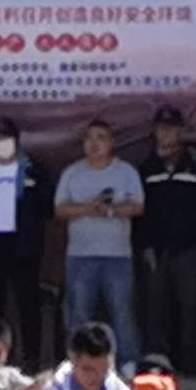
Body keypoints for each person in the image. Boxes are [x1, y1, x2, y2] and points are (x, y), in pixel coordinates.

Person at [51, 116, 146, 363]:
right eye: (89, 138)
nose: (94, 144)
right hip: (80, 256)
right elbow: (60, 210)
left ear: (111, 143)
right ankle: (77, 364)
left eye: (101, 138)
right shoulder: (72, 173)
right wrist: (87, 209)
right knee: (79, 315)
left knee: (122, 313)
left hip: (118, 256)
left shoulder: (126, 172)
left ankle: (128, 364)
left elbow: (138, 207)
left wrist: (110, 211)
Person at [135, 105, 196, 375]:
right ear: (155, 132)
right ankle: (160, 364)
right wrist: (145, 245)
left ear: (181, 131)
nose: (166, 133)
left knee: (192, 308)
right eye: (162, 128)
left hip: (189, 247)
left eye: (171, 128)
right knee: (156, 309)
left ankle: (192, 364)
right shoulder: (147, 167)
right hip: (157, 249)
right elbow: (142, 212)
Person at [0, 118, 55, 366]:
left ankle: (31, 358)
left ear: (17, 141)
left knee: (27, 303)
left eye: (6, 138)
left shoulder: (33, 169)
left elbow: (47, 207)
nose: (2, 144)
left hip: (23, 244)